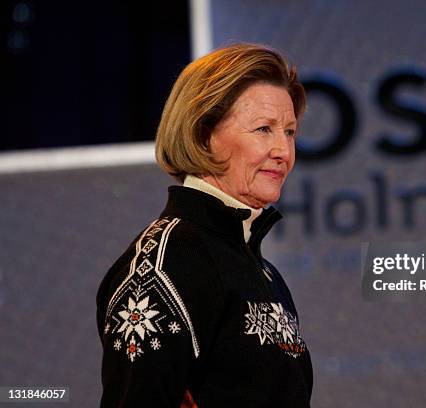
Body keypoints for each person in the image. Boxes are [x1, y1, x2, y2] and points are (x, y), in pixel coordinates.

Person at [96, 43, 312, 407]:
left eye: (289, 132)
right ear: (203, 134)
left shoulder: (262, 271)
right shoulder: (164, 266)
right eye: (263, 129)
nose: (284, 151)